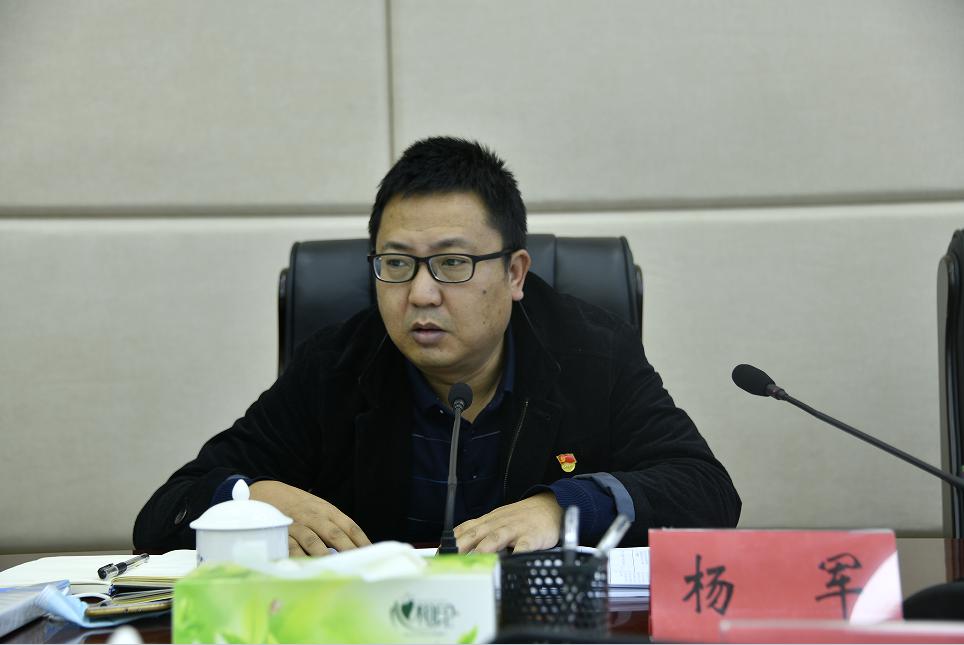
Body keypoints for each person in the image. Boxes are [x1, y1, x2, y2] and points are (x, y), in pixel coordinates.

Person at [133, 137, 740, 556]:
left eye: (452, 263)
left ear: (515, 274)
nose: (421, 294)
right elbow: (164, 512)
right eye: (397, 264)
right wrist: (251, 499)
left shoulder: (590, 352)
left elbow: (707, 491)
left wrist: (564, 508)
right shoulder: (338, 365)